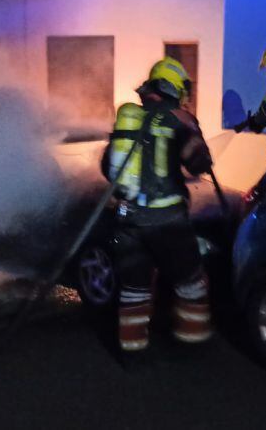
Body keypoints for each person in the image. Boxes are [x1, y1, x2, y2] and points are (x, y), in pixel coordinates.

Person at [100, 57, 214, 358]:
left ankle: (133, 352)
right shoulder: (180, 119)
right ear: (175, 88)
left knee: (134, 288)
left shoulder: (131, 118)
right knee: (191, 283)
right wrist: (196, 140)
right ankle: (192, 348)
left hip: (128, 223)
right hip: (169, 223)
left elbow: (106, 167)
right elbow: (198, 163)